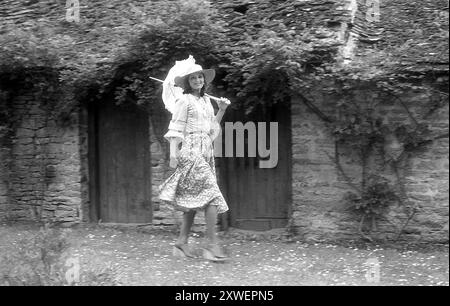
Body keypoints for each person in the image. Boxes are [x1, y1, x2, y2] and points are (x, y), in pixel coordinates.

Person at [158, 60, 230, 261]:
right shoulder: (184, 101)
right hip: (190, 151)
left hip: (206, 151)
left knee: (193, 198)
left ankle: (181, 243)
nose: (197, 80)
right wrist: (174, 155)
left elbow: (212, 129)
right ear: (187, 82)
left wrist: (222, 109)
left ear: (203, 79)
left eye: (200, 76)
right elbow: (175, 128)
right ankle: (211, 246)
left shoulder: (207, 101)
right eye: (193, 77)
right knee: (212, 195)